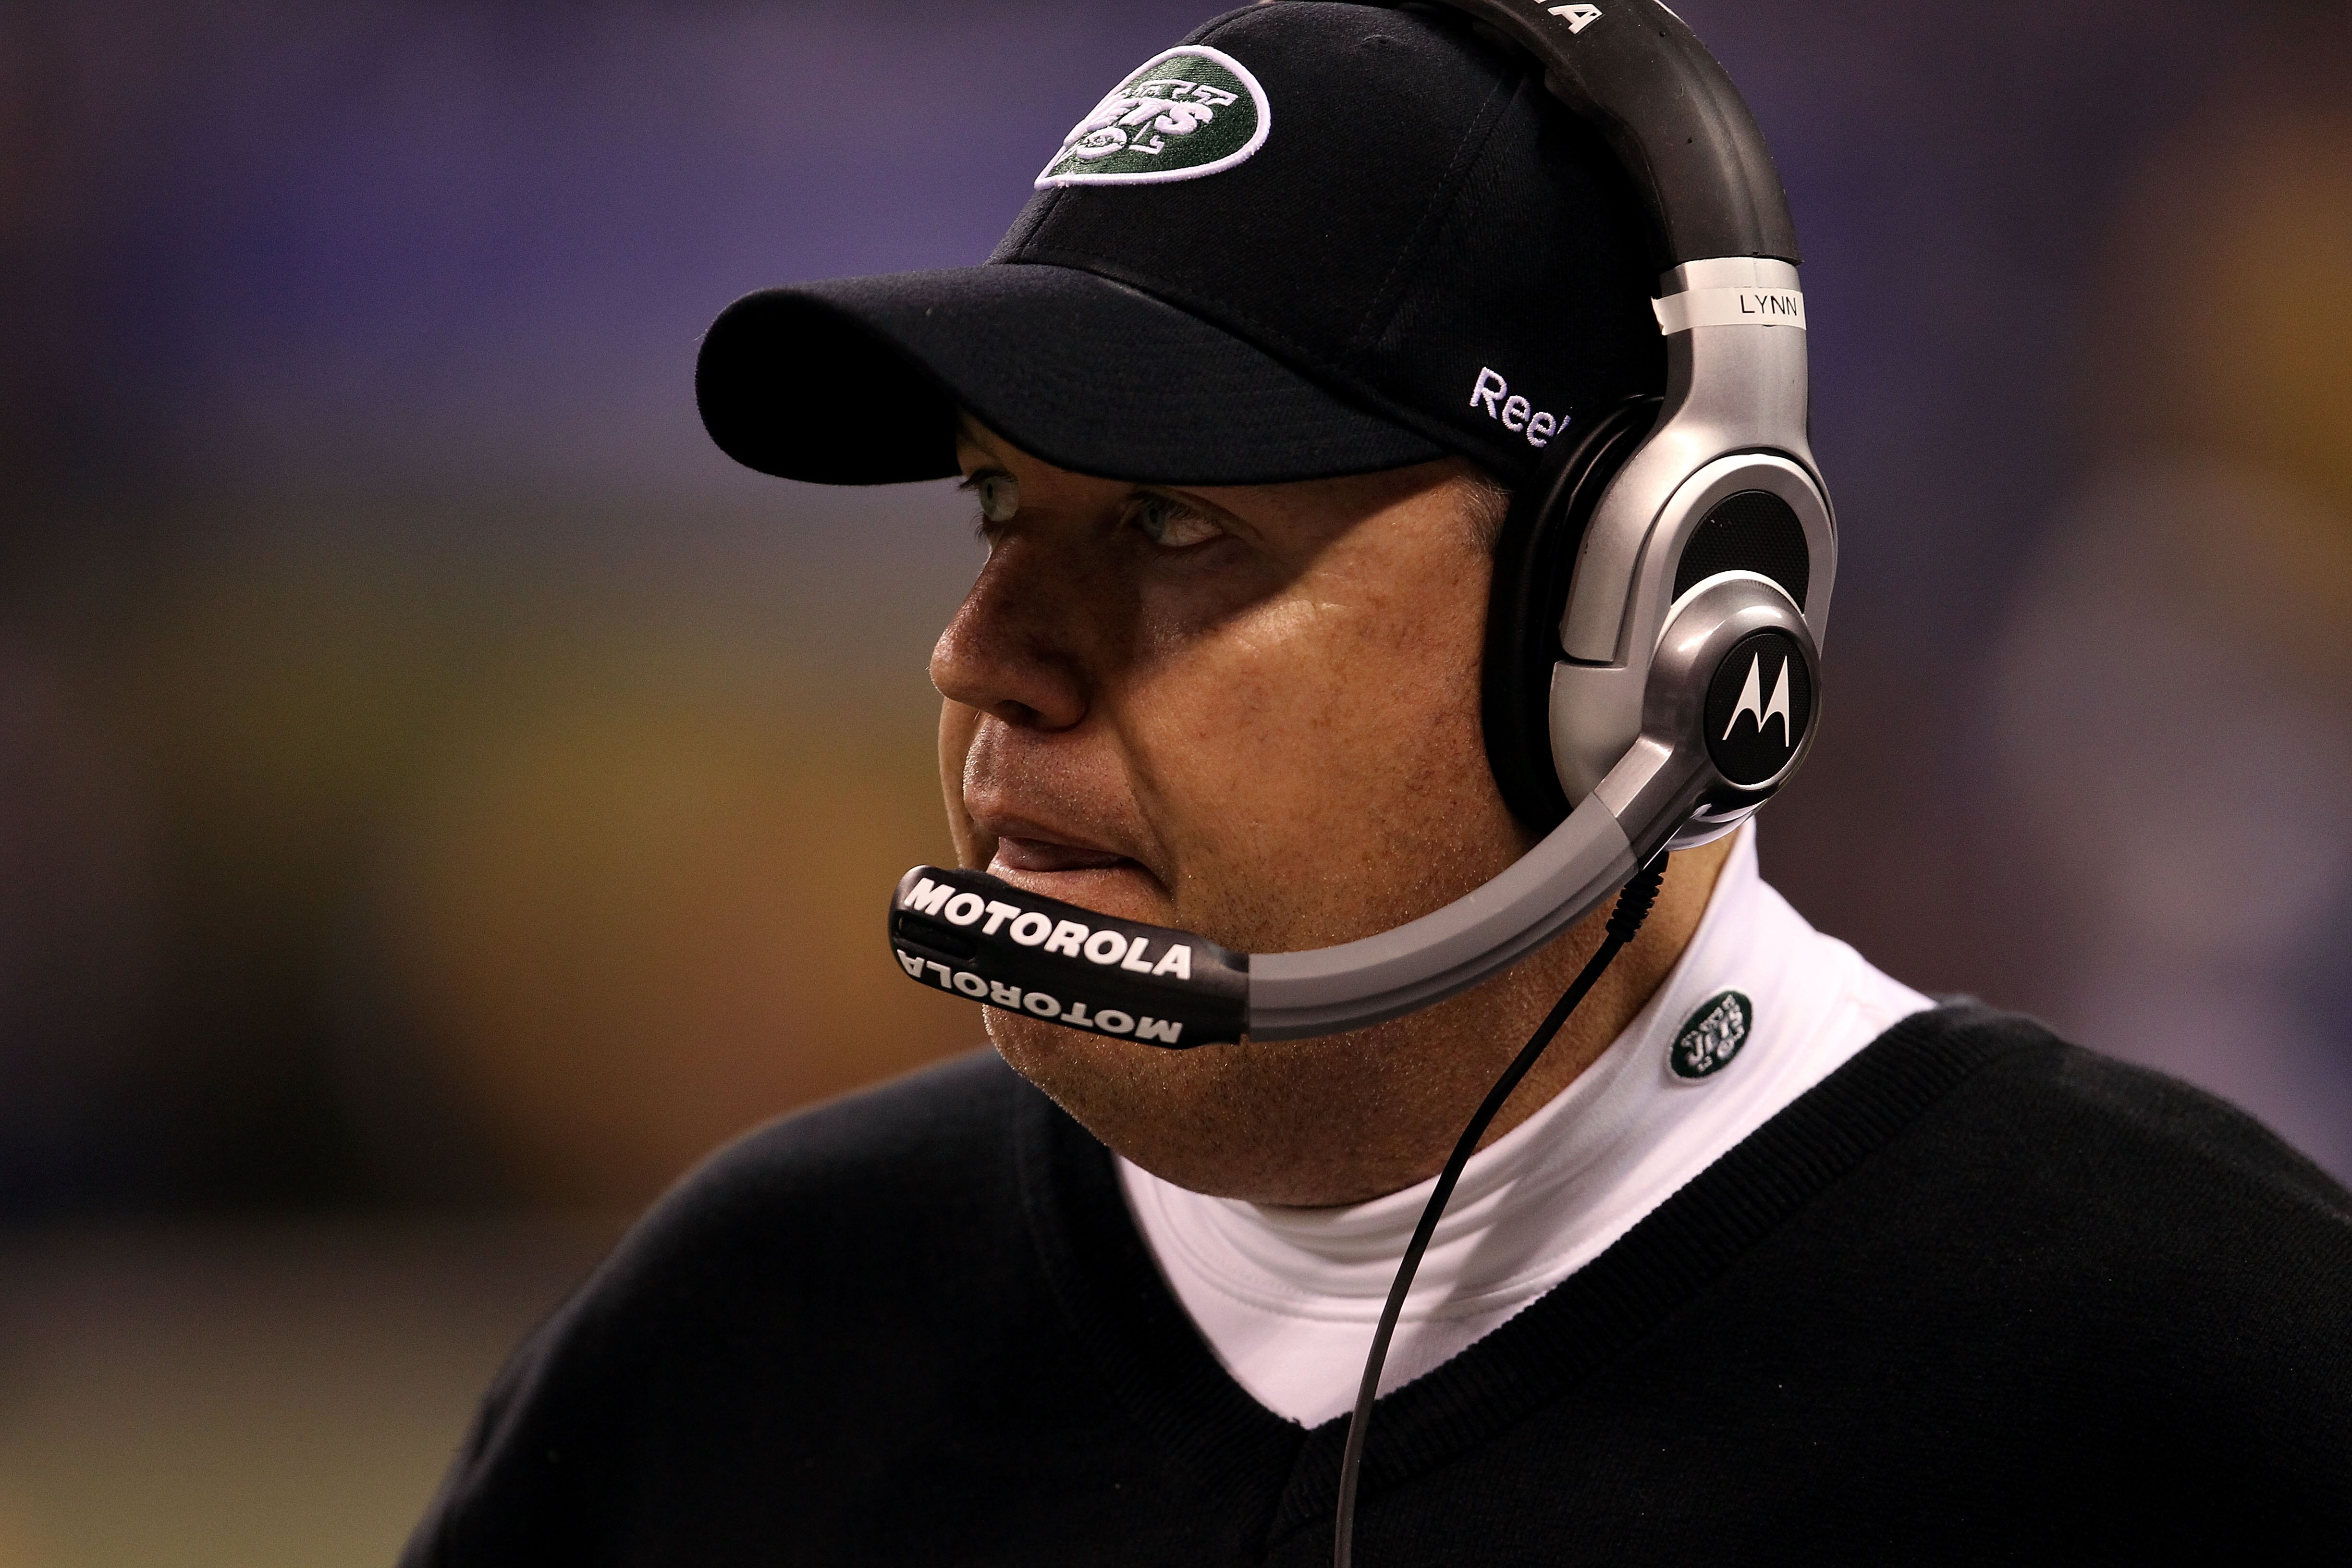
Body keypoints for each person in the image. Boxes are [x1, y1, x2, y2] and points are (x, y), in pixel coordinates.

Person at [402, 5, 2352, 1563]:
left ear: (1641, 624)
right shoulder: (741, 1338)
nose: (980, 653)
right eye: (1000, 508)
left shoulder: (2187, 1360)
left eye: (1172, 526)